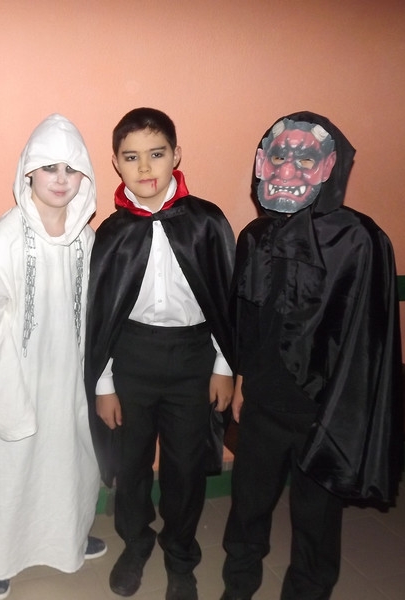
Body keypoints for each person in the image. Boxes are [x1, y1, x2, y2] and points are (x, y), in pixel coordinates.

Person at [220, 112, 401, 600]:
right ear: (262, 162)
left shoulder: (358, 240)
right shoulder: (255, 237)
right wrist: (242, 381)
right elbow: (247, 319)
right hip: (262, 404)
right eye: (279, 156)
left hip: (321, 413)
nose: (288, 169)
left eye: (304, 159)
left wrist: (342, 419)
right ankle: (238, 585)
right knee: (248, 506)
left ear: (328, 167)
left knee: (316, 520)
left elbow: (365, 341)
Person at [84, 107, 236, 600]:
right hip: (131, 359)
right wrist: (104, 383)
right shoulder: (111, 233)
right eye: (131, 157)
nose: (145, 168)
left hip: (194, 361)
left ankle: (180, 555)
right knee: (130, 465)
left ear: (176, 155)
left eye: (156, 154)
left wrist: (224, 365)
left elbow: (225, 300)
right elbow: (100, 316)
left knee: (184, 468)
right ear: (116, 163)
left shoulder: (207, 222)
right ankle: (136, 542)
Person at [0, 114, 105, 600]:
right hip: (17, 380)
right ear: (29, 171)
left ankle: (69, 538)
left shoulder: (86, 240)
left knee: (72, 463)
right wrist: (3, 398)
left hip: (70, 382)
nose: (61, 179)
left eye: (71, 169)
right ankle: (0, 561)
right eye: (49, 168)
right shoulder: (4, 240)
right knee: (13, 472)